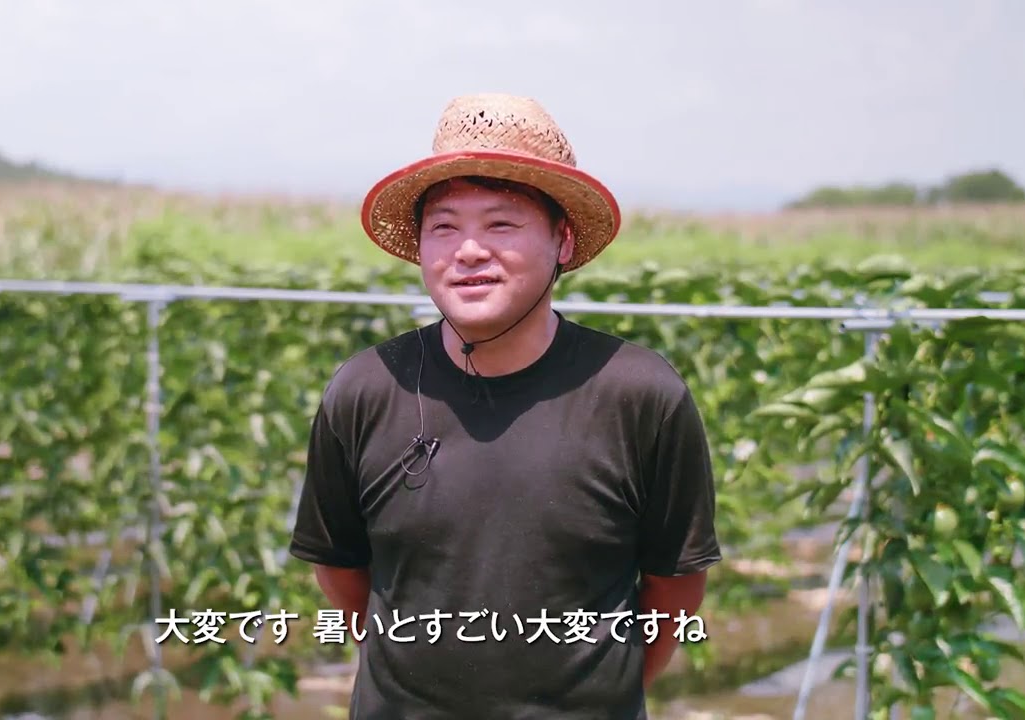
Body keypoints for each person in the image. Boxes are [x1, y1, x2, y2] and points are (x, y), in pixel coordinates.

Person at [289, 92, 721, 720]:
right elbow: (342, 575)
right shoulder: (365, 389)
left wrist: (601, 691)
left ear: (563, 241)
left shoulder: (638, 394)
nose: (468, 252)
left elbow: (674, 590)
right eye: (444, 227)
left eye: (501, 224)